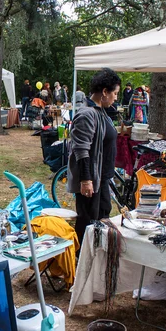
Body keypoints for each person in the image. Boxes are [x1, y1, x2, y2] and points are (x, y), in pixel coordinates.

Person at [67, 68, 120, 243]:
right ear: (104, 92)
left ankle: (94, 260)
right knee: (88, 223)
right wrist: (86, 180)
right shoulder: (87, 114)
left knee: (102, 219)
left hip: (102, 178)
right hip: (92, 181)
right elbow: (81, 150)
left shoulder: (101, 111)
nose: (116, 97)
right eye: (115, 93)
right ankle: (81, 261)